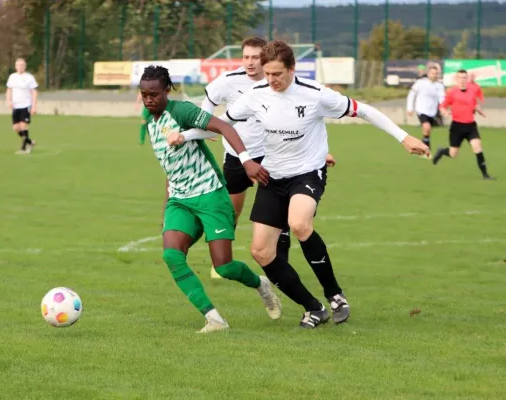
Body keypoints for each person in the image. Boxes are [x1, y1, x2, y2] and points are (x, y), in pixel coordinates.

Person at [171, 40, 429, 329]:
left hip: (307, 173)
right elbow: (221, 123)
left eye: (278, 74)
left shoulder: (316, 95)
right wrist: (184, 136)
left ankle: (335, 295)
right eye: (267, 74)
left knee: (299, 224)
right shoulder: (256, 95)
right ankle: (313, 307)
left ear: (292, 69)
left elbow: (364, 110)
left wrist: (404, 138)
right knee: (261, 252)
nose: (272, 80)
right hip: (273, 176)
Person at [138, 65, 282, 333]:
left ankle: (260, 284)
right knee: (172, 256)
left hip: (209, 195)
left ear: (167, 91)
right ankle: (214, 319)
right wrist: (165, 207)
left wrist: (247, 161)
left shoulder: (181, 111)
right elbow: (170, 165)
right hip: (180, 200)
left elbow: (223, 127)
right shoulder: (149, 119)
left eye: (154, 94)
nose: (149, 99)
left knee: (224, 267)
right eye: (144, 94)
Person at [197, 37, 297, 279]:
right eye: (246, 57)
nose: (250, 63)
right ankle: (222, 262)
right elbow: (208, 101)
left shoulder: (275, 81)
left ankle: (280, 264)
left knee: (278, 211)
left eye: (255, 57)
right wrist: (204, 125)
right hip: (235, 156)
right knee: (231, 211)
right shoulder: (229, 81)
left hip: (270, 154)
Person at [432, 69, 495, 180]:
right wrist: (445, 112)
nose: (462, 80)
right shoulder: (452, 92)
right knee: (453, 154)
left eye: (464, 78)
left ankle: (485, 175)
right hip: (457, 127)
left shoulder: (472, 91)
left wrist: (478, 110)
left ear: (467, 79)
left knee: (477, 147)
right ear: (456, 79)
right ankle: (442, 151)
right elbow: (442, 106)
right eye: (460, 78)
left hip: (470, 126)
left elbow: (474, 104)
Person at [407, 65, 445, 152]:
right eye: (432, 73)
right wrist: (410, 108)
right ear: (428, 74)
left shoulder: (439, 86)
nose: (434, 75)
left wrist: (443, 108)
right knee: (426, 127)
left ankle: (422, 144)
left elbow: (442, 98)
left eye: (436, 73)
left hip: (432, 112)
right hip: (421, 110)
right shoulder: (420, 83)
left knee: (427, 132)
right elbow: (411, 95)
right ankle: (427, 150)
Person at [6, 58, 38, 154]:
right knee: (16, 127)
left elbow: (34, 92)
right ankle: (30, 142)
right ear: (15, 67)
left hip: (26, 105)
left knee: (23, 126)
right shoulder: (12, 77)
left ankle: (23, 149)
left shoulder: (29, 77)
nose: (20, 67)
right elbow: (9, 90)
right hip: (16, 106)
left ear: (25, 66)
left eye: (22, 65)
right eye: (18, 65)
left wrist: (34, 106)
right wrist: (8, 100)